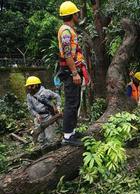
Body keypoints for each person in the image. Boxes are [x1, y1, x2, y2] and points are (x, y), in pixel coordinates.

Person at [57, 1, 88, 145]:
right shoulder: (65, 31)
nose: (78, 15)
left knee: (75, 102)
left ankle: (72, 131)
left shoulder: (69, 30)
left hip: (73, 70)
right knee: (71, 102)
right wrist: (75, 73)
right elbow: (67, 54)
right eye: (76, 13)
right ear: (72, 15)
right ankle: (68, 136)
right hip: (70, 71)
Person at [25, 76, 62, 145]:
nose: (29, 88)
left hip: (48, 116)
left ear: (36, 85)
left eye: (31, 86)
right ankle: (42, 150)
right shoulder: (29, 96)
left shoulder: (45, 92)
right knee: (40, 138)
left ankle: (52, 151)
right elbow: (30, 108)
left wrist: (58, 106)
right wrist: (36, 115)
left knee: (49, 137)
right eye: (28, 86)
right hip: (38, 118)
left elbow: (57, 97)